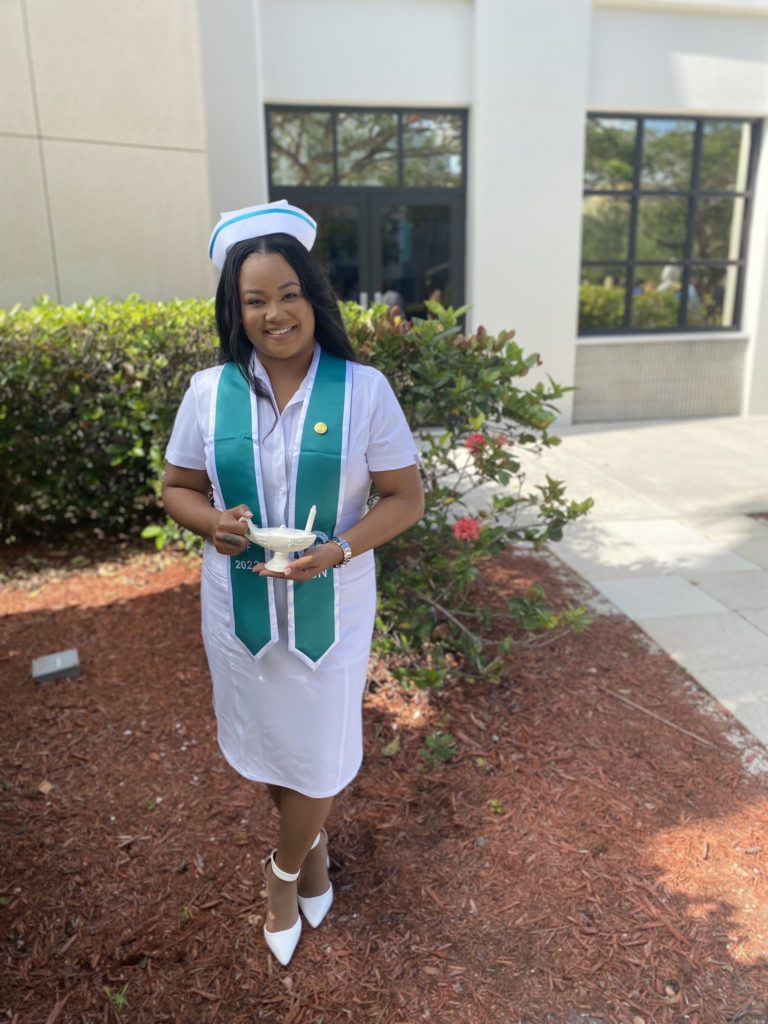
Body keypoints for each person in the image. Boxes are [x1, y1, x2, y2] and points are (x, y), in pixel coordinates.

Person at [162, 200, 424, 967]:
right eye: (255, 300)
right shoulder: (210, 393)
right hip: (239, 609)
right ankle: (310, 854)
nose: (274, 313)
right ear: (235, 311)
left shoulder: (364, 390)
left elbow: (404, 498)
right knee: (278, 748)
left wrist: (339, 549)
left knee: (321, 750)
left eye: (288, 294)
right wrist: (210, 523)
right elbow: (176, 486)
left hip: (330, 605)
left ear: (313, 296)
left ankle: (280, 876)